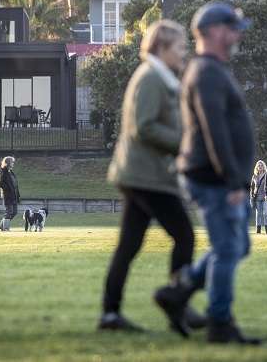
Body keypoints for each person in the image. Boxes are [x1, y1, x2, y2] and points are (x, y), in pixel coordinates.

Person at [99, 19, 203, 336]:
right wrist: (183, 143)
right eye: (181, 48)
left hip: (139, 175)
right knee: (184, 236)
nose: (185, 54)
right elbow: (144, 126)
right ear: (162, 47)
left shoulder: (158, 77)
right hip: (146, 177)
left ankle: (110, 316)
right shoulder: (151, 79)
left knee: (128, 246)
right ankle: (178, 304)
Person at [174, 2, 262, 344]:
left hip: (219, 176)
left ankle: (178, 292)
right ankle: (220, 325)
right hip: (213, 178)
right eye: (232, 27)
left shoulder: (215, 69)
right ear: (212, 32)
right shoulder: (206, 72)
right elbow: (215, 130)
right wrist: (232, 181)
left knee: (237, 247)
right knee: (227, 249)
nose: (238, 33)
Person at [0, 156, 20, 231]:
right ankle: (5, 228)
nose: (13, 164)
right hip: (8, 196)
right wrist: (8, 190)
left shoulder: (11, 172)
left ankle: (1, 225)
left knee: (14, 212)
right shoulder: (3, 171)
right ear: (7, 163)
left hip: (14, 195)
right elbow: (1, 184)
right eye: (12, 162)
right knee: (9, 212)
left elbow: (15, 184)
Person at [250, 160, 267, 234]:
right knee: (258, 214)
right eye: (258, 166)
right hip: (257, 197)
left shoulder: (266, 175)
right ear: (256, 167)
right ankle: (258, 230)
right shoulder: (254, 176)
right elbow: (252, 187)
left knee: (265, 213)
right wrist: (252, 196)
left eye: (261, 165)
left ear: (264, 166)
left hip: (265, 197)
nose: (260, 167)